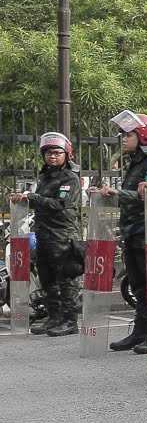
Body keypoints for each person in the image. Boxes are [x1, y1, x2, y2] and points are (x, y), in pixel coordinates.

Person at [103, 113, 147, 353]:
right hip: (133, 232)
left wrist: (118, 195)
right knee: (138, 286)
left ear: (143, 135)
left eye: (129, 134)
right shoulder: (135, 164)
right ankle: (140, 331)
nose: (123, 138)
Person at [10, 133, 83, 337]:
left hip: (62, 234)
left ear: (66, 155)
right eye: (48, 153)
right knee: (47, 278)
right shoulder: (43, 177)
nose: (52, 156)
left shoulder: (70, 178)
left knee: (66, 279)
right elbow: (39, 200)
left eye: (57, 153)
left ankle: (70, 321)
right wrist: (22, 199)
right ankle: (54, 317)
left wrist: (32, 197)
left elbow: (60, 204)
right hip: (44, 233)